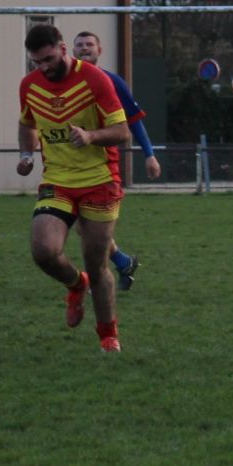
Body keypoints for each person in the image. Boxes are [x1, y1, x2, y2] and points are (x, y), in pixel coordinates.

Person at [17, 24, 131, 352]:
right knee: (43, 251)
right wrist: (26, 155)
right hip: (58, 181)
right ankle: (74, 284)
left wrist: (91, 136)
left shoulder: (95, 79)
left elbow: (122, 132)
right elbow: (26, 123)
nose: (44, 67)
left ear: (63, 48)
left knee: (97, 265)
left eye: (49, 59)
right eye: (37, 62)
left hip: (99, 180)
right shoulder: (29, 86)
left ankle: (108, 335)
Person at [71, 30, 160, 290]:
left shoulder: (112, 82)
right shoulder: (64, 81)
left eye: (89, 45)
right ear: (71, 50)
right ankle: (122, 262)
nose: (84, 48)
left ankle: (103, 277)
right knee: (81, 227)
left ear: (100, 51)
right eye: (80, 45)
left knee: (91, 228)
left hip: (102, 166)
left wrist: (149, 155)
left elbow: (134, 121)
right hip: (69, 165)